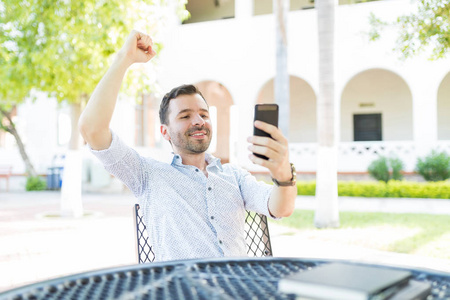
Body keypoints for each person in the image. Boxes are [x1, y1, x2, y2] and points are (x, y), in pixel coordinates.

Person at [78, 30, 297, 262]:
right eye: (185, 116)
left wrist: (283, 175)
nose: (198, 121)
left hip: (237, 288)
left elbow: (281, 208)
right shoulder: (146, 175)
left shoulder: (235, 176)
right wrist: (124, 58)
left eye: (204, 114)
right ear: (165, 132)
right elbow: (92, 129)